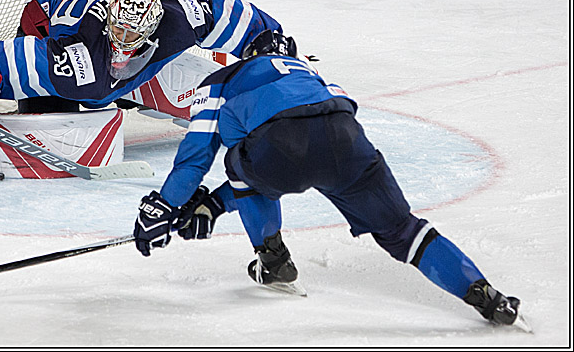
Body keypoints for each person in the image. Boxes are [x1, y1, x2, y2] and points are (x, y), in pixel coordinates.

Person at [131, 29, 529, 329]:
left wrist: (170, 206)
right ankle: (487, 296)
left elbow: (195, 160)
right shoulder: (314, 75)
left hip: (276, 148)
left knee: (239, 163)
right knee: (404, 231)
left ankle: (273, 260)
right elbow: (327, 132)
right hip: (346, 140)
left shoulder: (223, 79)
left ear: (249, 54)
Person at [0, 0, 282, 114]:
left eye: (131, 33)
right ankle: (117, 90)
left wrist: (270, 44)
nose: (122, 38)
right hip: (44, 24)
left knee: (105, 84)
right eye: (118, 29)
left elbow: (221, 9)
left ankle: (132, 86)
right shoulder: (78, 57)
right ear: (109, 20)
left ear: (150, 28)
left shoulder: (178, 19)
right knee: (62, 109)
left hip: (104, 60)